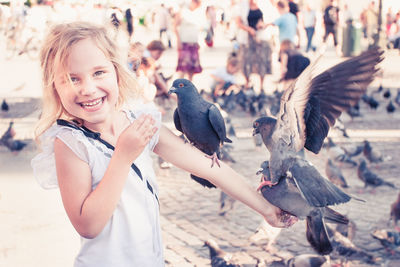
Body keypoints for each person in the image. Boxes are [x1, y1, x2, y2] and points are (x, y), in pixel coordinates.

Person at [31, 21, 295, 267]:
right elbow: (88, 225)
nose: (87, 88)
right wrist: (123, 156)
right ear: (54, 86)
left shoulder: (139, 119)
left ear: (117, 72)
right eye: (72, 78)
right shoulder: (70, 143)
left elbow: (210, 168)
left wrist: (266, 209)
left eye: (98, 72)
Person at [234, 0, 273, 91]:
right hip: (246, 38)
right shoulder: (241, 5)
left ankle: (261, 85)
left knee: (262, 60)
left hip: (261, 37)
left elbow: (270, 20)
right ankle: (248, 82)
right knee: (246, 61)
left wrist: (262, 24)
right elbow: (238, 22)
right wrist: (249, 29)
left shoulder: (264, 3)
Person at [173, 0, 204, 81]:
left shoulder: (198, 13)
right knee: (183, 67)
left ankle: (189, 86)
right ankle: (179, 88)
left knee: (192, 68)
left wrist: (200, 41)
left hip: (194, 42)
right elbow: (175, 27)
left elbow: (200, 29)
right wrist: (178, 40)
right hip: (184, 42)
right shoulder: (182, 11)